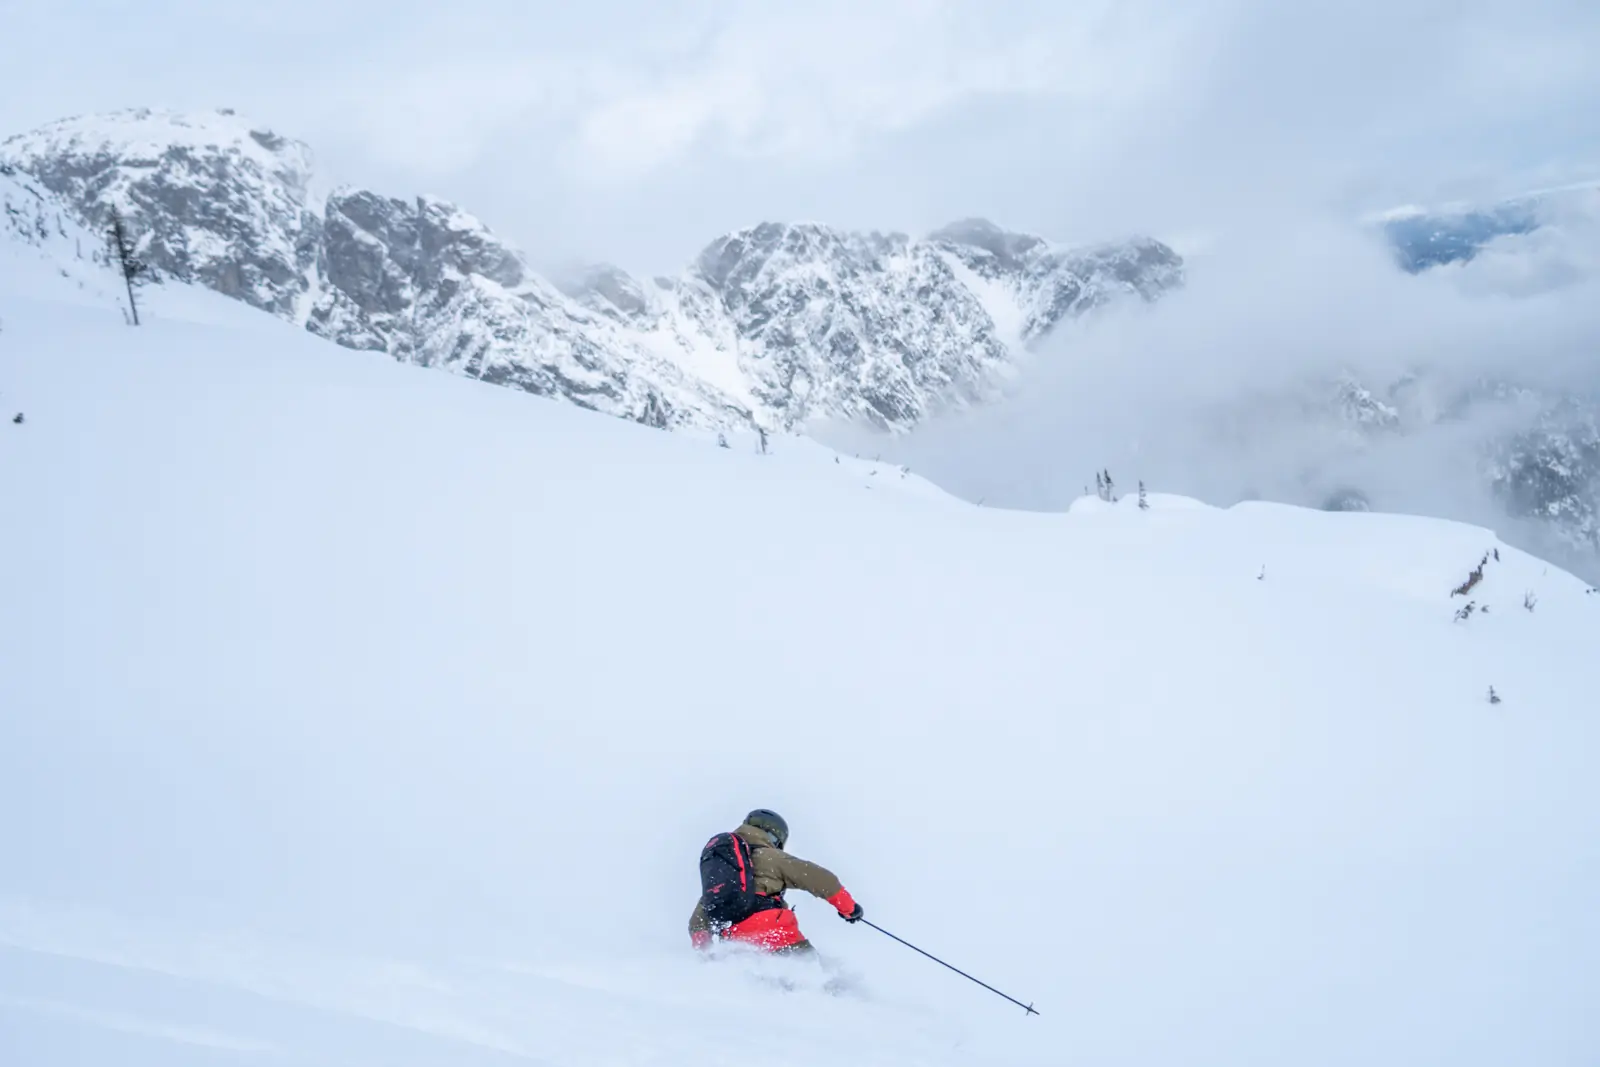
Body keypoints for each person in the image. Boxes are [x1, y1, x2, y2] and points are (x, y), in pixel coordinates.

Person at [690, 809, 863, 954]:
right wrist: (849, 909)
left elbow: (697, 921)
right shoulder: (772, 857)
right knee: (816, 975)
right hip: (774, 933)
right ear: (775, 837)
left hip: (735, 941)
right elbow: (822, 880)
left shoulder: (726, 872)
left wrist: (706, 954)